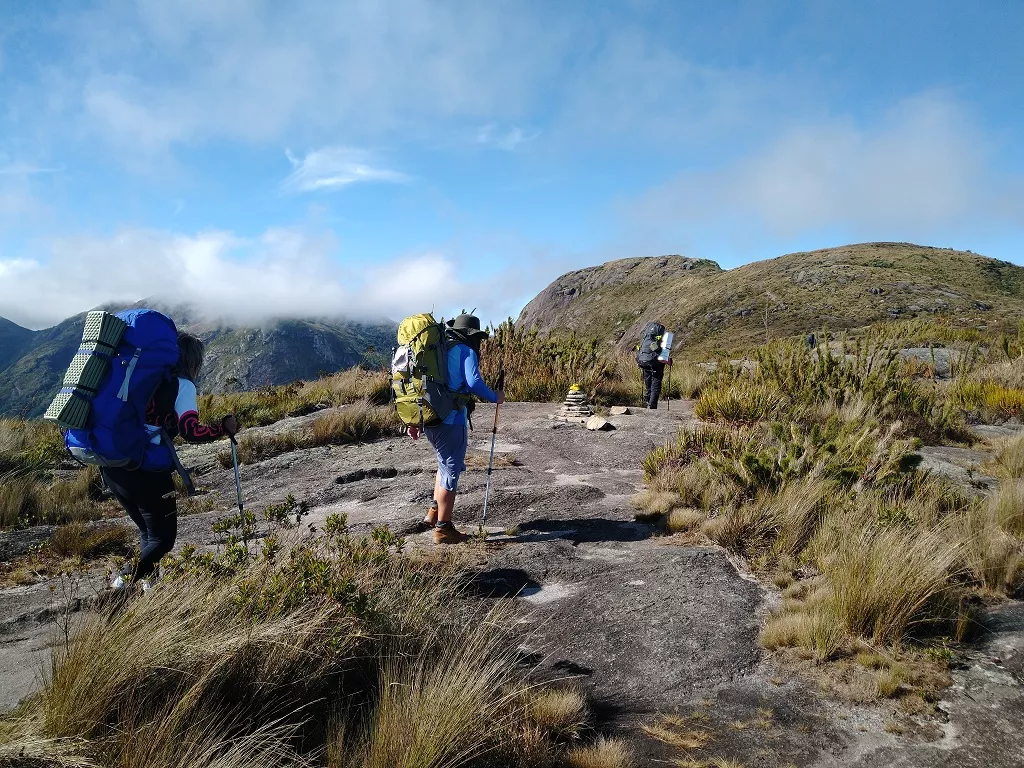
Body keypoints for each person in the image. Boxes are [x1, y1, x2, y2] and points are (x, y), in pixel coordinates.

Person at [105, 332, 239, 589]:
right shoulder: (182, 385)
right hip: (147, 471)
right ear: (192, 361)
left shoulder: (138, 378)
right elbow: (191, 431)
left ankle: (150, 592)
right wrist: (222, 428)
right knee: (162, 541)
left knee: (148, 533)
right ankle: (119, 586)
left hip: (113, 464)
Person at [408, 314, 504, 544]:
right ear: (473, 336)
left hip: (430, 418)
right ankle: (443, 528)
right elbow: (473, 383)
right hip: (452, 420)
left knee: (443, 464)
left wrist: (415, 421)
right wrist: (495, 397)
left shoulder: (438, 349)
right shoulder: (465, 350)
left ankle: (433, 513)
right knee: (450, 471)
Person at [636, 322, 672, 410]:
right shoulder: (664, 338)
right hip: (654, 362)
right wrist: (668, 361)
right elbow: (661, 355)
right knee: (656, 383)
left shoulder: (647, 336)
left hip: (642, 360)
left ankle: (647, 401)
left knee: (648, 383)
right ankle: (652, 406)